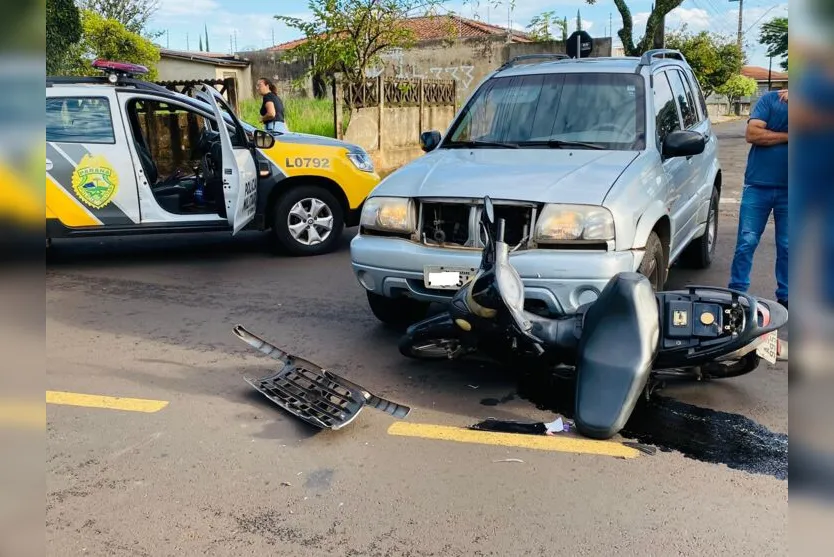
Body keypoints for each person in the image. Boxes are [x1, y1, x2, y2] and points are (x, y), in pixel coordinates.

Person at [727, 89, 789, 309]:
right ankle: (737, 292)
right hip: (758, 186)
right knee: (746, 242)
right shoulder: (770, 100)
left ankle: (787, 297)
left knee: (788, 246)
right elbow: (752, 134)